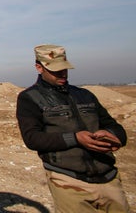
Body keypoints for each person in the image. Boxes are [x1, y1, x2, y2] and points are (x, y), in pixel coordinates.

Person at [16, 44, 130, 212]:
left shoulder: (84, 95)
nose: (62, 74)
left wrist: (113, 135)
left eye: (64, 69)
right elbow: (32, 139)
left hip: (109, 179)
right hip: (68, 181)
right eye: (55, 70)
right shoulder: (30, 98)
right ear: (39, 67)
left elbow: (114, 127)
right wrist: (75, 138)